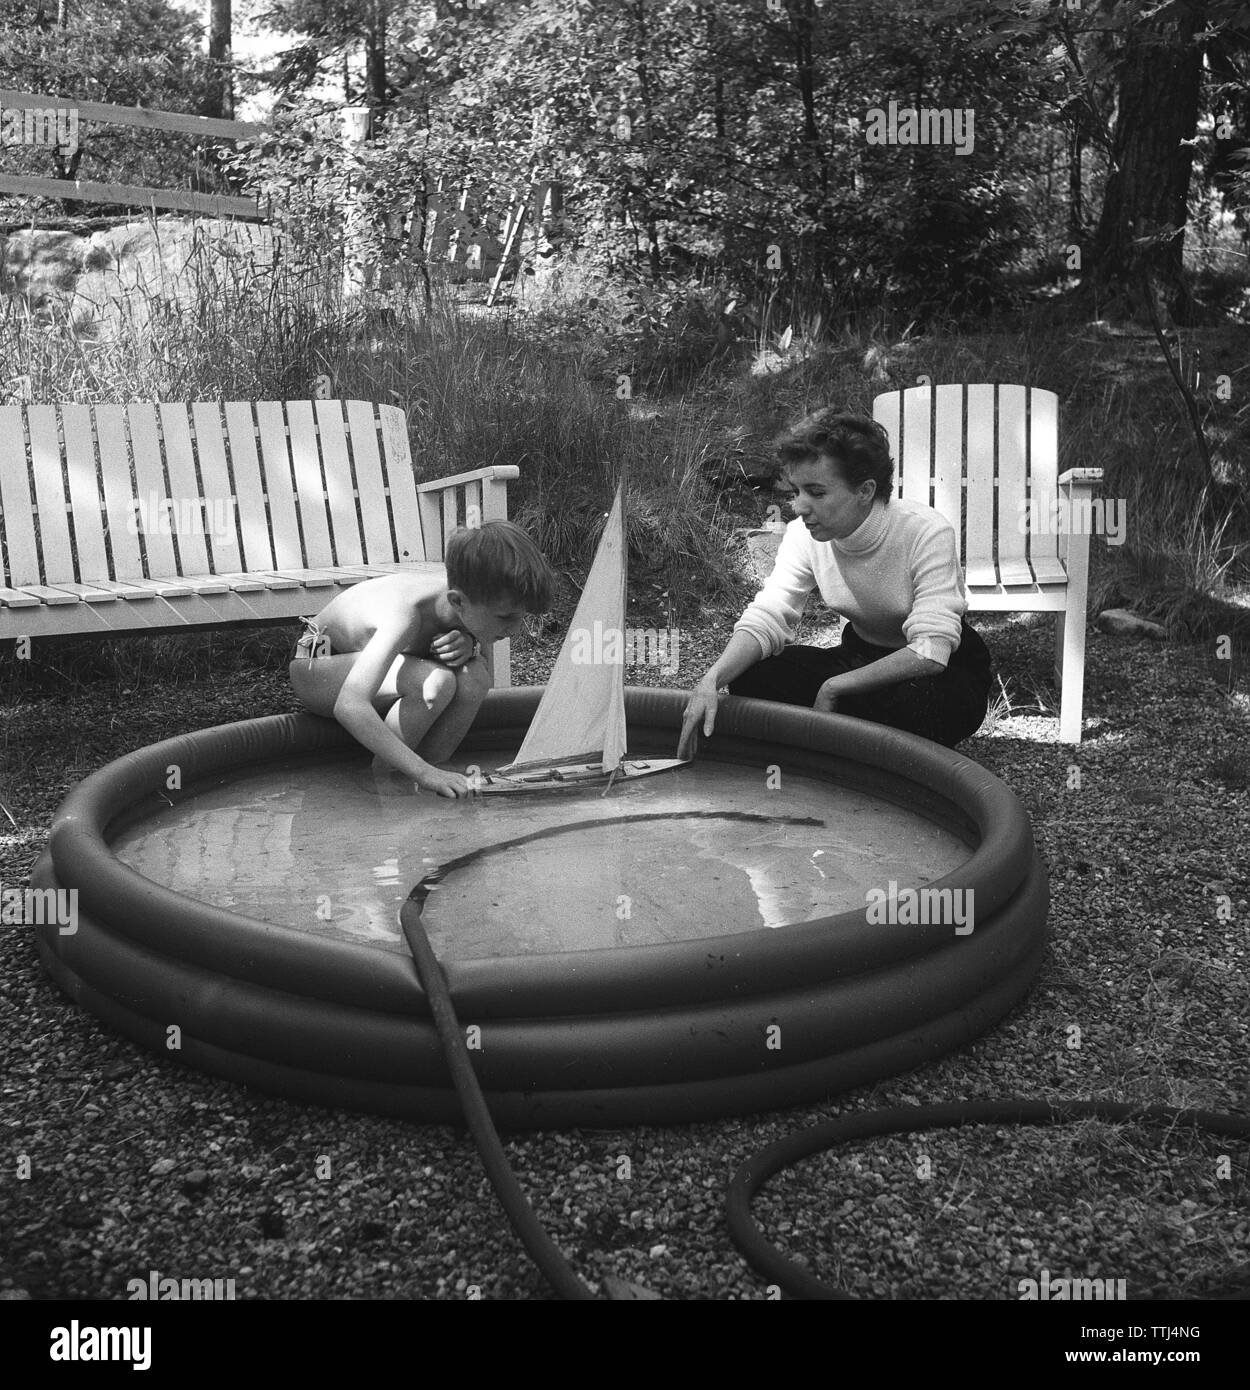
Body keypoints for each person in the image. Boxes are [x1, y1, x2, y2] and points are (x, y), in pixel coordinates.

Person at [678, 409, 993, 756]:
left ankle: (852, 743)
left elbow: (931, 650)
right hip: (860, 656)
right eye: (797, 491)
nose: (799, 507)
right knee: (752, 676)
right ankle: (852, 747)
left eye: (816, 492)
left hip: (940, 674)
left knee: (915, 704)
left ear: (864, 490)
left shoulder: (925, 531)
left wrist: (834, 687)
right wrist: (712, 679)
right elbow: (770, 615)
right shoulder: (804, 535)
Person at [290, 520, 555, 798]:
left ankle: (438, 772)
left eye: (521, 616)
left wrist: (472, 645)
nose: (514, 629)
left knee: (475, 677)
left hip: (374, 670)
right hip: (316, 665)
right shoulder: (405, 615)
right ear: (458, 602)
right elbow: (350, 704)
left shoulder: (475, 596)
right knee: (433, 682)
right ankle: (384, 778)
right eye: (505, 618)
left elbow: (482, 672)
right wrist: (422, 773)